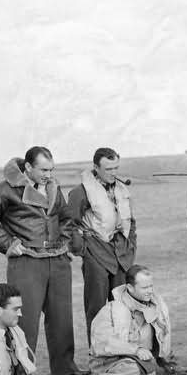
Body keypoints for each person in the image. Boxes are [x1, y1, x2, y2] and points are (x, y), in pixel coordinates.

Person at [0, 146, 87, 375]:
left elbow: (66, 218)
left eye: (51, 169)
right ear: (27, 167)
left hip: (57, 259)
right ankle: (21, 372)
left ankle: (65, 368)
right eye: (43, 170)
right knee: (24, 318)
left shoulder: (54, 187)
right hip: (26, 261)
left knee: (62, 316)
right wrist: (8, 244)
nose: (48, 175)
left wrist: (64, 243)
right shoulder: (5, 189)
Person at [59, 265, 184, 375]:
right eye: (144, 287)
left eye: (151, 286)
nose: (150, 291)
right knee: (135, 368)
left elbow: (162, 337)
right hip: (109, 363)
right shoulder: (111, 309)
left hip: (143, 364)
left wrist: (166, 361)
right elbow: (102, 344)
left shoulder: (156, 306)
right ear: (130, 288)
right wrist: (136, 350)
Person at [67, 147, 137, 344]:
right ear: (96, 168)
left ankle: (123, 351)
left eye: (116, 168)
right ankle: (97, 352)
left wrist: (131, 246)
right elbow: (69, 223)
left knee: (122, 306)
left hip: (121, 254)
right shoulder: (80, 192)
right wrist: (83, 250)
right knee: (96, 308)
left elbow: (130, 220)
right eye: (108, 169)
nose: (113, 173)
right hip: (96, 252)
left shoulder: (121, 190)